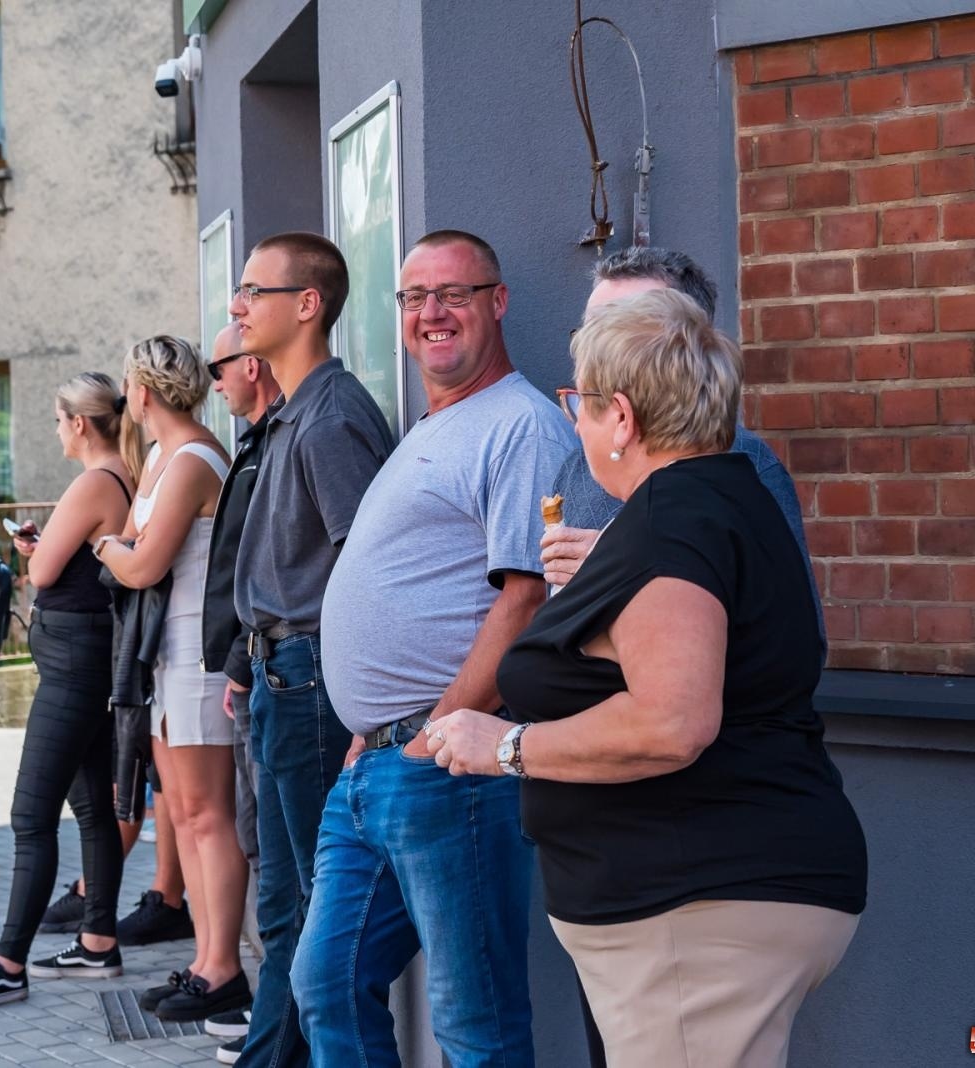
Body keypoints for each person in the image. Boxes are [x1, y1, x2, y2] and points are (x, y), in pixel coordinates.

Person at [429, 288, 868, 1068]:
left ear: (622, 418)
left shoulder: (676, 522)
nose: (574, 420)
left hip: (694, 903)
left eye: (580, 403)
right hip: (712, 894)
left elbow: (673, 722)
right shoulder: (717, 506)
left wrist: (507, 745)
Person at [298, 230, 572, 1067]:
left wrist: (434, 730)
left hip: (449, 768)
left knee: (474, 1023)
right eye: (415, 297)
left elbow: (525, 598)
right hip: (373, 767)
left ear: (498, 302)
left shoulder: (520, 424)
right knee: (326, 986)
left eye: (453, 293)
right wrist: (371, 729)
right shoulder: (429, 428)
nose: (432, 312)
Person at [230, 231, 393, 1068]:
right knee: (289, 898)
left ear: (307, 305)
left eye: (254, 290)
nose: (237, 304)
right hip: (276, 672)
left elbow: (368, 567)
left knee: (304, 903)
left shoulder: (330, 418)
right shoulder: (295, 410)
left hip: (311, 679)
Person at [0, 372, 136, 1010]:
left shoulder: (95, 482)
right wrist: (43, 547)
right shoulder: (131, 474)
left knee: (29, 817)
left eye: (57, 420)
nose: (56, 431)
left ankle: (7, 962)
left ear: (79, 423)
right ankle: (99, 939)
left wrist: (33, 551)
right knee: (92, 809)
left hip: (76, 665)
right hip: (90, 658)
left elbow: (45, 568)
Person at [96, 335, 252, 1024]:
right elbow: (132, 544)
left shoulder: (192, 458)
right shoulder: (160, 456)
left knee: (207, 813)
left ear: (142, 392)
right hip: (165, 656)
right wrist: (119, 548)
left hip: (198, 652)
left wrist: (103, 545)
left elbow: (141, 561)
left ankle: (224, 968)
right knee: (179, 814)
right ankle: (204, 959)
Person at [540, 249, 816, 637]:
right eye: (592, 330)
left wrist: (613, 565)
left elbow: (795, 635)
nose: (598, 348)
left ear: (690, 343)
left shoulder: (744, 464)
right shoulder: (576, 466)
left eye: (627, 327)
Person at [198, 321, 282, 1061]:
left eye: (219, 365)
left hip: (281, 670)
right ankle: (271, 1013)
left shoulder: (289, 433)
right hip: (252, 666)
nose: (212, 379)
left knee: (280, 861)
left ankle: (280, 1022)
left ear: (251, 365)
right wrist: (235, 662)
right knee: (261, 848)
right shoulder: (258, 439)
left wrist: (238, 658)